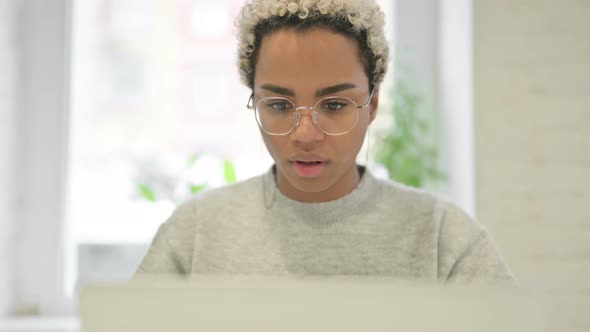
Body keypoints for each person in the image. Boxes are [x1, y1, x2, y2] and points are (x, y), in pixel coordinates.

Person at [134, 0, 516, 284]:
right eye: (280, 105)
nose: (304, 134)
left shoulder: (443, 240)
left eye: (333, 105)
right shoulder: (195, 233)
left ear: (372, 105)